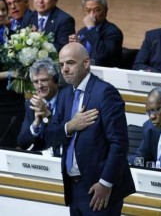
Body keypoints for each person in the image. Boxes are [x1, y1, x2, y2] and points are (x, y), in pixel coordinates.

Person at [46, 42, 135, 215]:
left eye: (70, 63)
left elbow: (119, 143)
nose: (64, 69)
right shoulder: (64, 95)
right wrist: (70, 126)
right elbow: (50, 136)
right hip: (74, 187)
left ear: (86, 63)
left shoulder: (105, 93)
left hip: (100, 189)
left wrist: (106, 183)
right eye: (61, 64)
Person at [17, 57, 62, 156]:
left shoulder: (67, 99)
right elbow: (22, 143)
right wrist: (35, 124)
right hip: (39, 160)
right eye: (35, 82)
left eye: (44, 80)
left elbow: (62, 135)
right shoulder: (31, 104)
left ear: (56, 80)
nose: (39, 86)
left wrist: (47, 114)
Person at [69, 0, 123, 68]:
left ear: (105, 11)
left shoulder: (113, 32)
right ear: (83, 12)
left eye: (97, 10)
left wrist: (91, 28)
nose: (92, 15)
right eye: (88, 11)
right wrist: (75, 46)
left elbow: (102, 55)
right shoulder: (82, 32)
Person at [0, 0, 25, 148]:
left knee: (12, 145)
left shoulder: (16, 36)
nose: (1, 13)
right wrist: (10, 74)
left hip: (15, 101)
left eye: (3, 9)